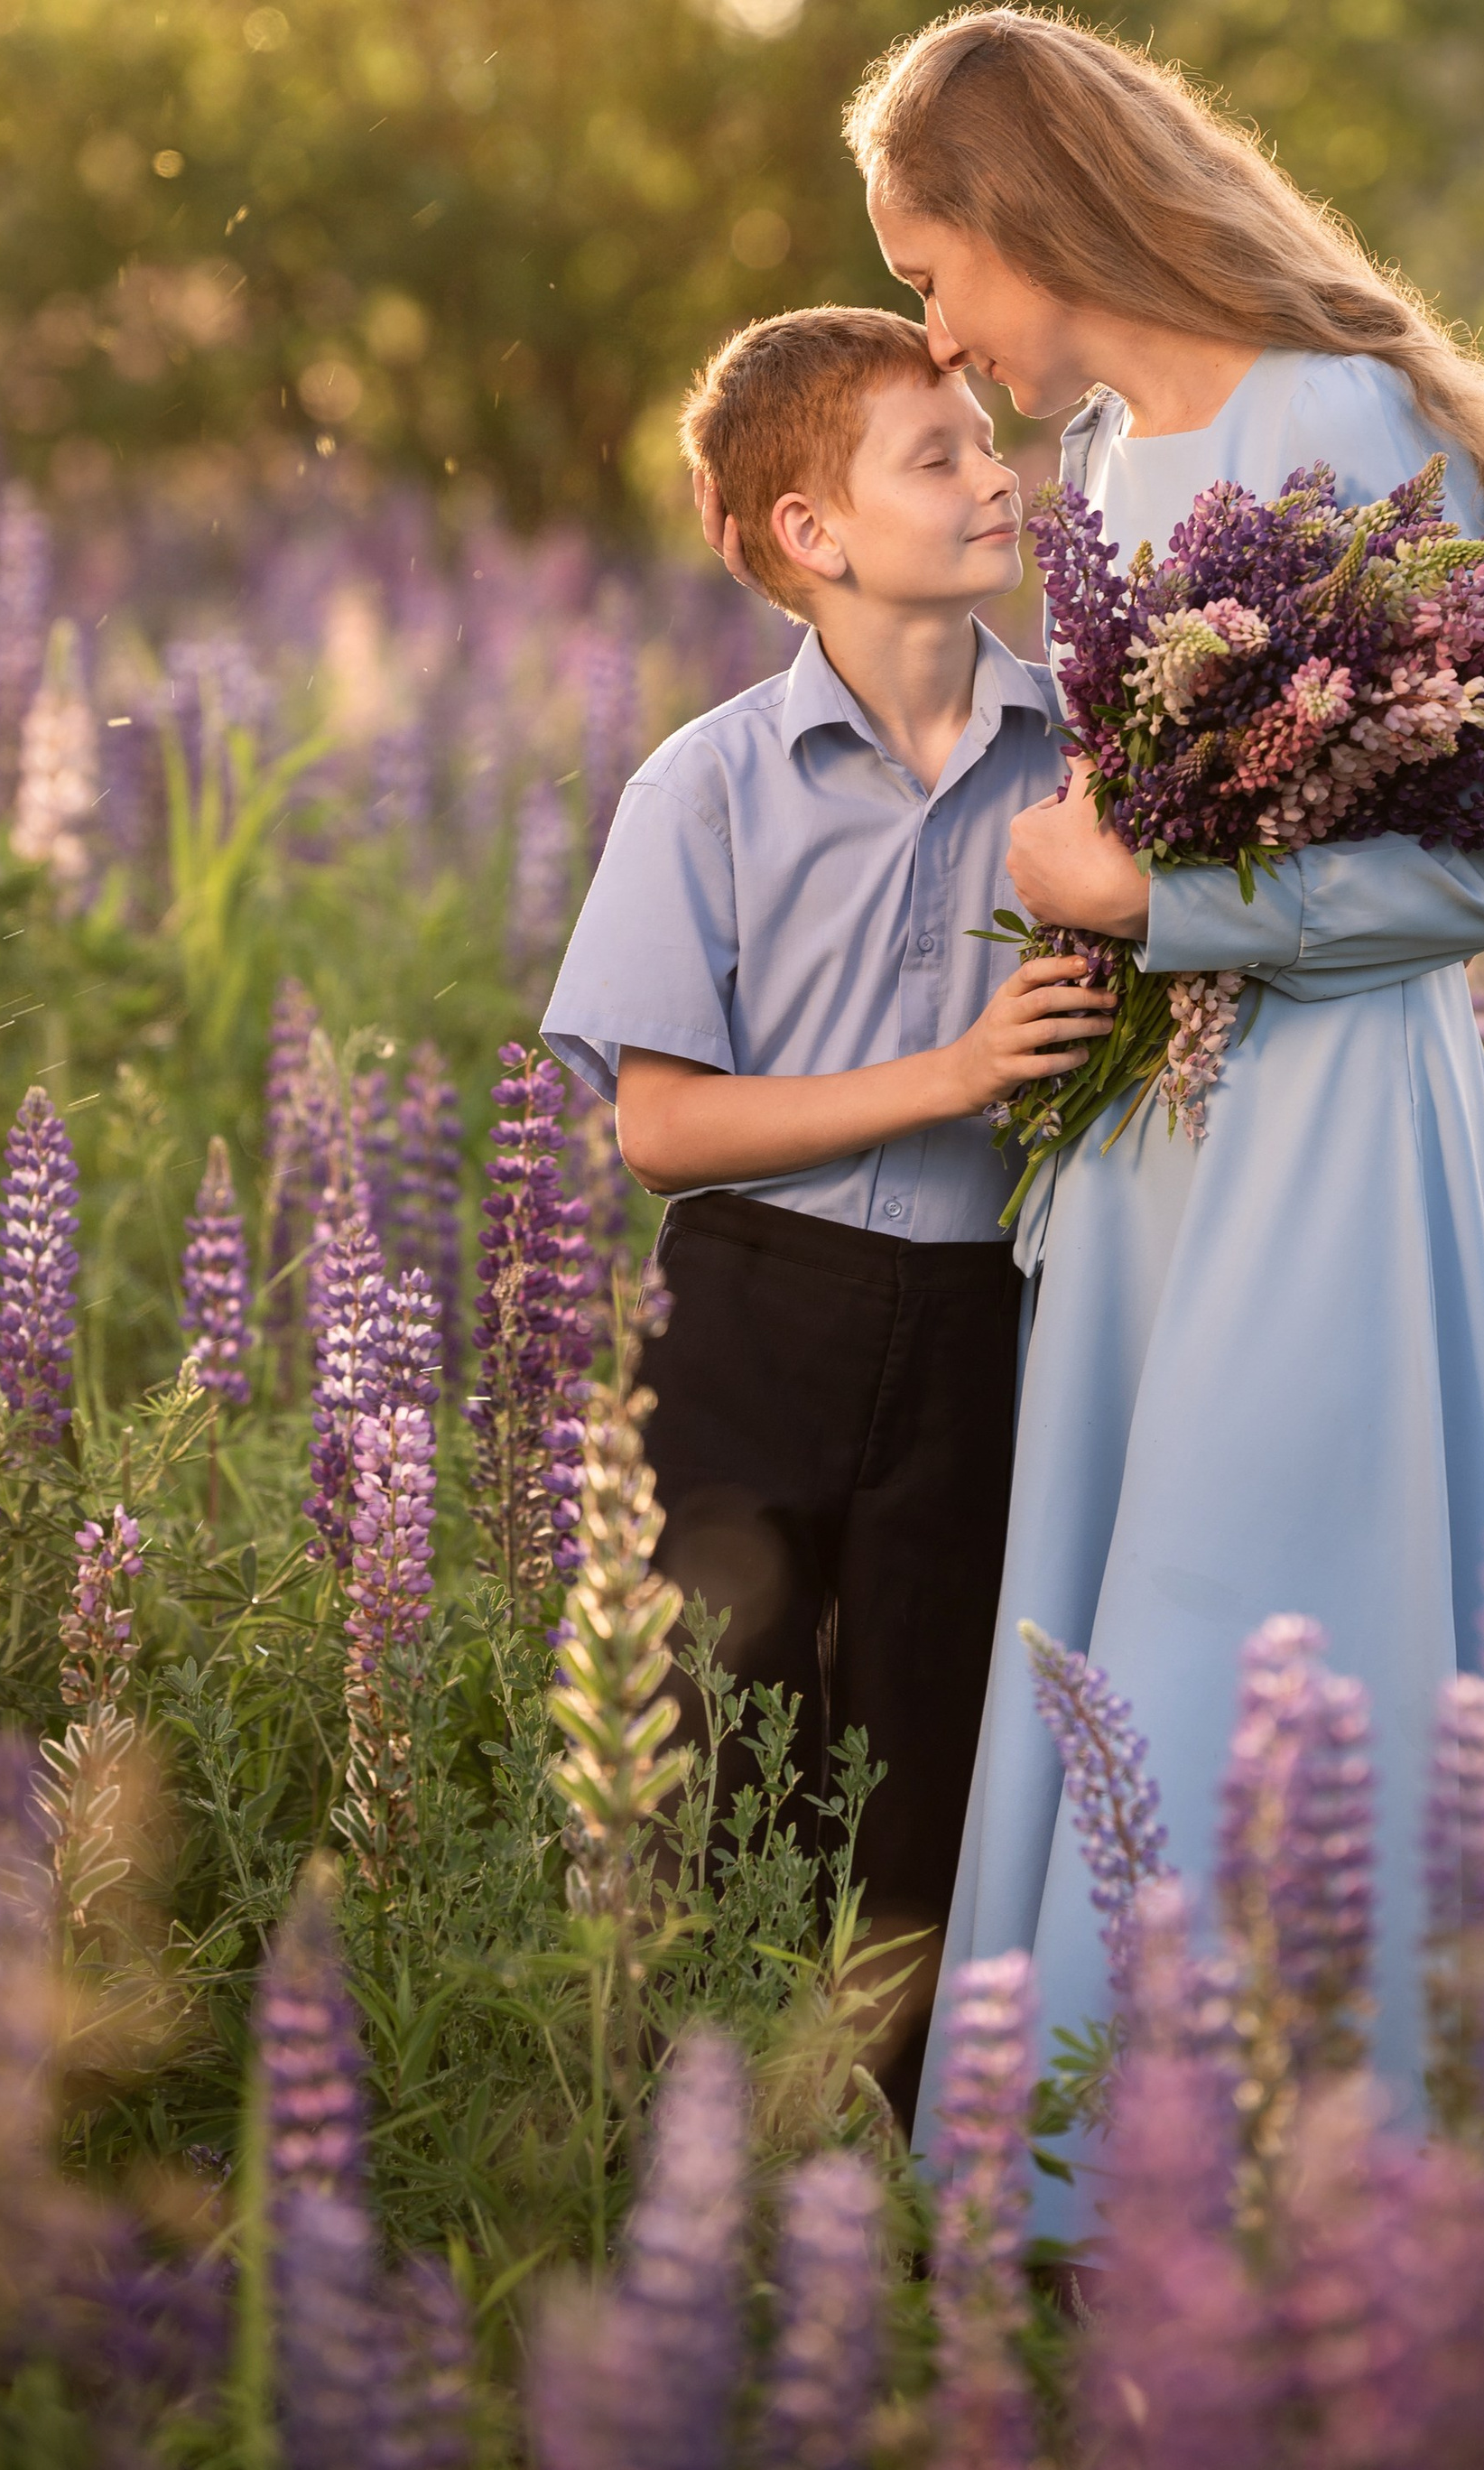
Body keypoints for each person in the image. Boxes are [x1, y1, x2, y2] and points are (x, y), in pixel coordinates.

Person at [815, 5, 1484, 2204]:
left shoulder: (1338, 412)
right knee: (1115, 1640)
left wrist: (1142, 893)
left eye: (927, 271)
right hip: (1151, 1149)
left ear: (1022, 214)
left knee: (1257, 1619)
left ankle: (1300, 2189)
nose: (938, 338)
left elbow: (1473, 860)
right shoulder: (1100, 482)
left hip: (1328, 1142)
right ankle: (1103, 2188)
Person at [542, 303, 1111, 2112]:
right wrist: (949, 1073)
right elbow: (657, 1128)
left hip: (978, 1321)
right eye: (932, 456)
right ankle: (692, 2158)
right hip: (747, 1315)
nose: (990, 475)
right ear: (813, 531)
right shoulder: (706, 781)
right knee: (716, 1752)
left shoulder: (1081, 766)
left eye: (983, 440)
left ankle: (909, 2189)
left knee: (928, 1774)